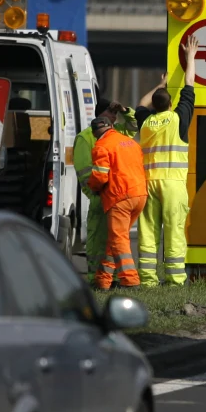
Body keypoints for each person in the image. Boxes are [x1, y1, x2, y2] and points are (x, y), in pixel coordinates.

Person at [130, 35, 199, 287]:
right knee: (174, 230)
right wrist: (190, 57)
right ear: (171, 103)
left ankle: (148, 279)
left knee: (148, 232)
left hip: (148, 183)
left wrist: (161, 84)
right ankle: (175, 278)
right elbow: (189, 84)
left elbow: (141, 103)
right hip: (173, 184)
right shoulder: (178, 119)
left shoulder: (146, 122)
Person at [72, 97, 138, 284]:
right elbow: (84, 171)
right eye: (111, 112)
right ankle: (95, 276)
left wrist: (125, 110)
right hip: (100, 196)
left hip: (117, 197)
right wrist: (95, 195)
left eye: (116, 113)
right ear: (100, 113)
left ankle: (113, 277)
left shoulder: (116, 132)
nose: (114, 116)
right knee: (98, 239)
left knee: (115, 239)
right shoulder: (86, 137)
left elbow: (134, 125)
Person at [87, 116, 148, 290]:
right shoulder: (130, 142)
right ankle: (103, 280)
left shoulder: (101, 146)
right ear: (111, 126)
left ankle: (130, 280)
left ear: (94, 133)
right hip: (139, 194)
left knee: (119, 239)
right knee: (116, 238)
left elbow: (100, 176)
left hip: (120, 197)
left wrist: (93, 187)